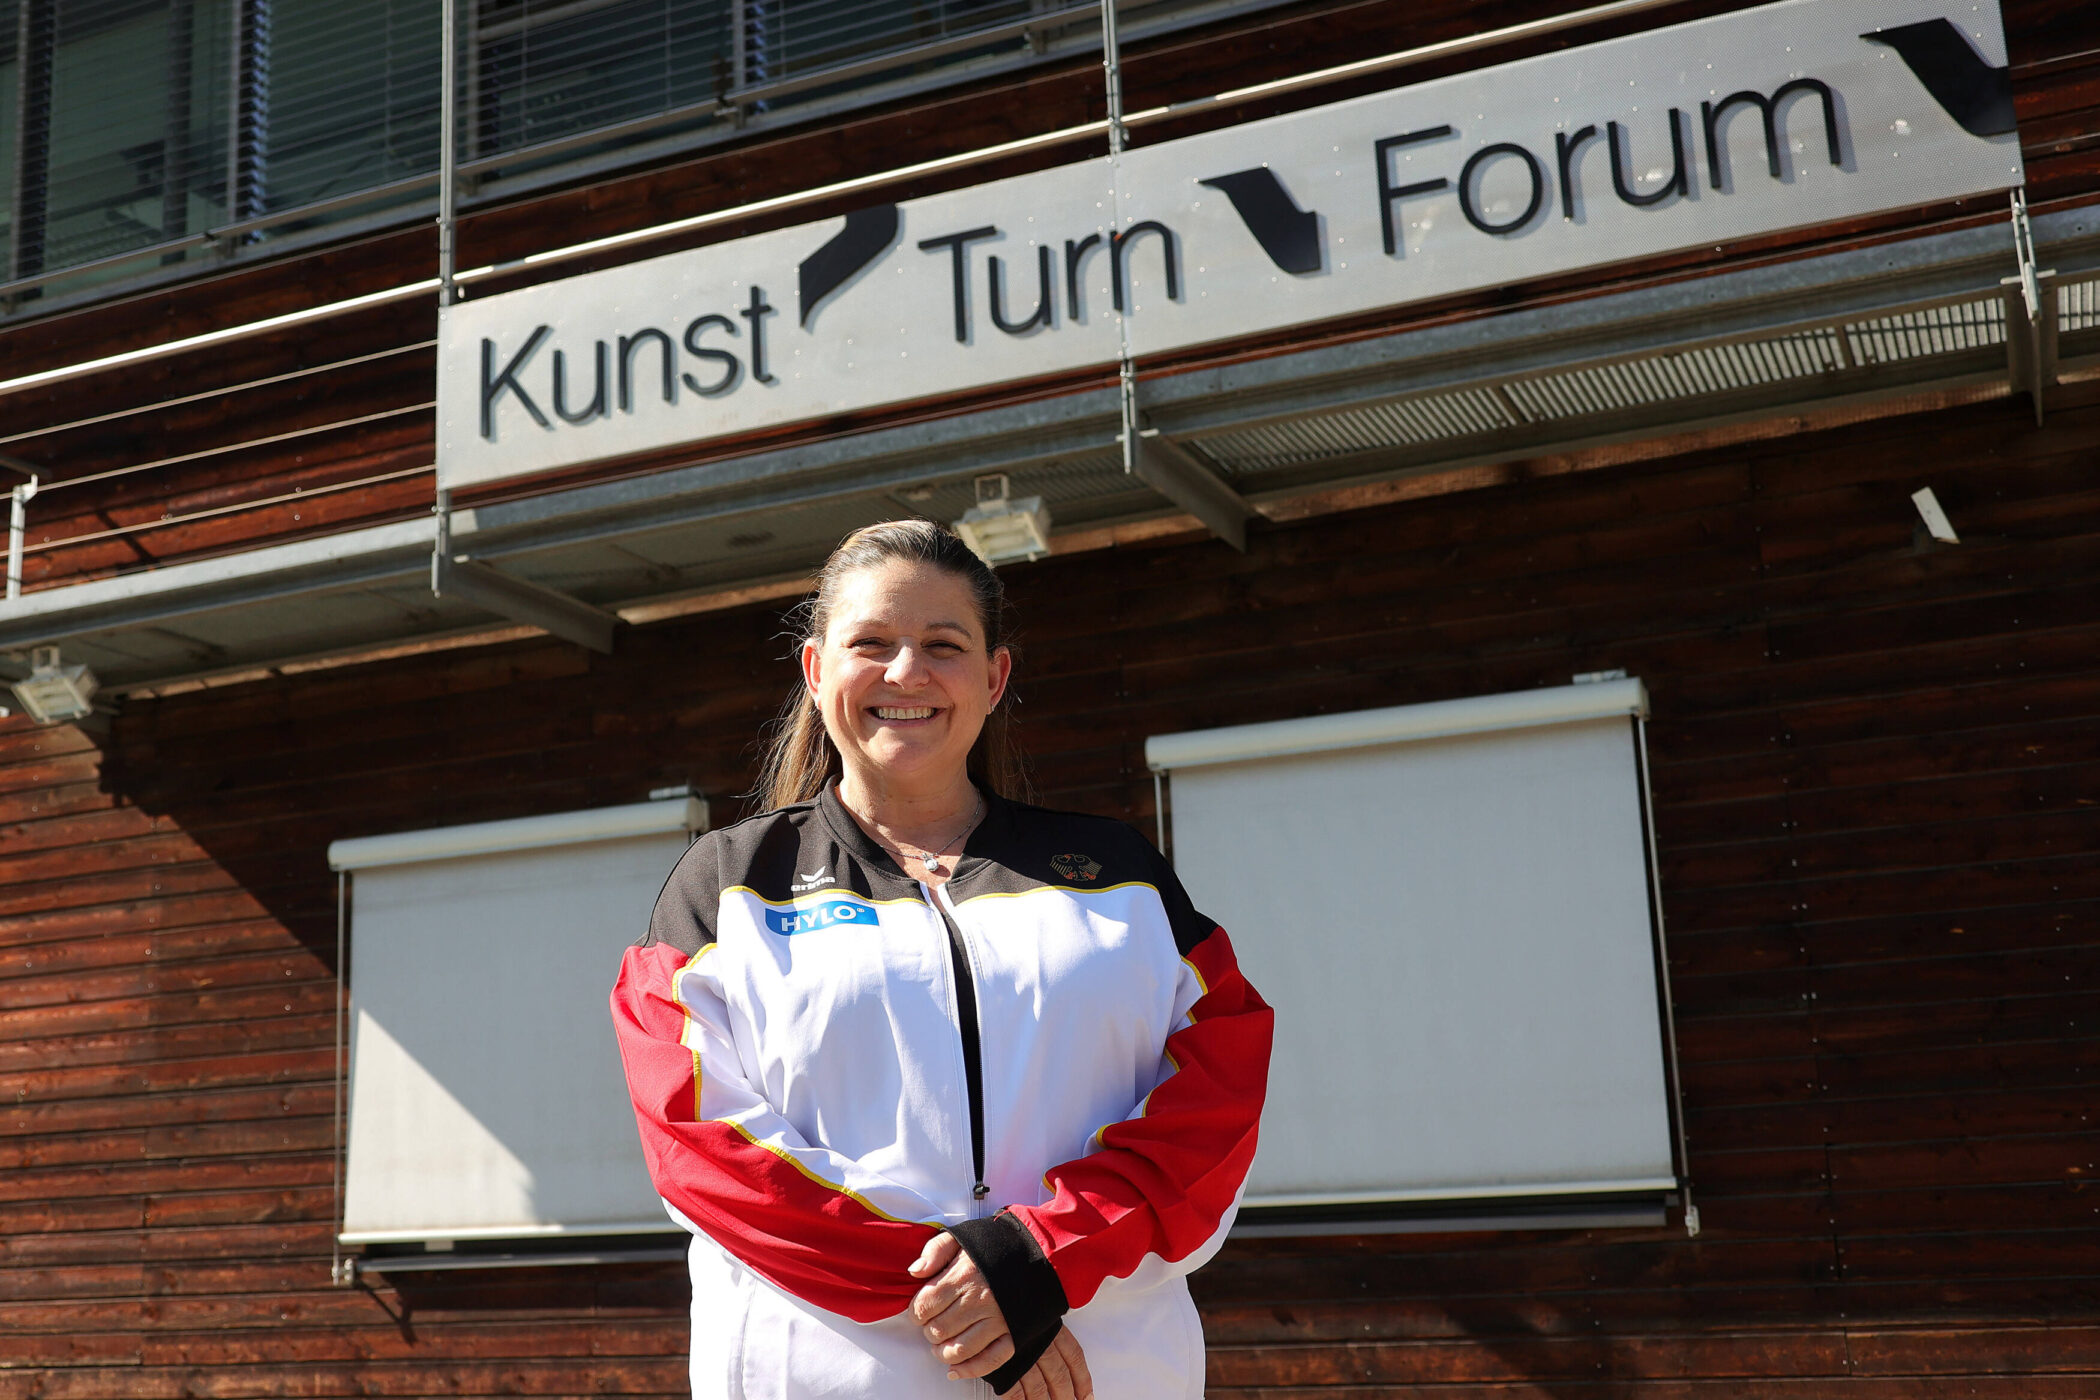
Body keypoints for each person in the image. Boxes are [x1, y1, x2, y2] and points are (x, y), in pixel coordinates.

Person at [610, 519, 1273, 1400]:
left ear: (994, 677)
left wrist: (1041, 1259)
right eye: (872, 644)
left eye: (943, 644)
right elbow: (702, 1146)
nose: (906, 673)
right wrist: (979, 1299)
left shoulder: (1120, 877)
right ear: (816, 673)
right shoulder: (725, 886)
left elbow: (1216, 1097)